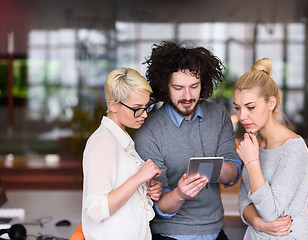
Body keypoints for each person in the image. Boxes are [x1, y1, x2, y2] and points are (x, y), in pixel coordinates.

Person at [133, 41, 242, 240]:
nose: (187, 96)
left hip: (216, 232)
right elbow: (159, 205)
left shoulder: (218, 116)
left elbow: (233, 171)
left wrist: (211, 170)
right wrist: (180, 194)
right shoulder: (149, 133)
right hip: (170, 234)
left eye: (194, 86)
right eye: (178, 88)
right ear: (165, 86)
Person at [234, 58, 308, 239]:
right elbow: (244, 201)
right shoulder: (253, 143)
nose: (242, 116)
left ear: (271, 103)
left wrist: (252, 162)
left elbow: (272, 212)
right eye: (237, 108)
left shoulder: (293, 149)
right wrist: (257, 222)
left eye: (250, 107)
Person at [81, 68, 163, 240]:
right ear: (113, 105)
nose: (144, 114)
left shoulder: (121, 139)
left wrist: (147, 187)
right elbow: (96, 209)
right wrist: (139, 178)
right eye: (136, 108)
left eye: (146, 107)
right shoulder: (103, 141)